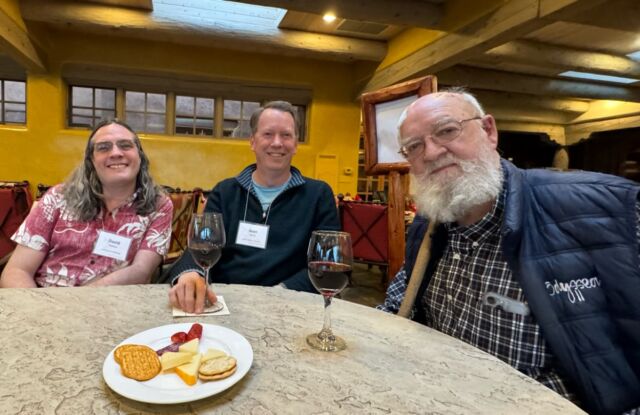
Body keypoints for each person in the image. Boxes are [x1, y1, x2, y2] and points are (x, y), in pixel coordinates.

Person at [377, 88, 640, 415]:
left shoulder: (604, 210)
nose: (430, 153)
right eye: (414, 146)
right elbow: (397, 305)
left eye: (446, 130)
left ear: (489, 130)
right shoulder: (430, 224)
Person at [168, 101, 340, 313]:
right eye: (268, 134)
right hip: (225, 302)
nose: (277, 143)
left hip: (289, 303)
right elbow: (201, 247)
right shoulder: (225, 191)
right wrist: (190, 273)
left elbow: (327, 263)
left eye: (286, 135)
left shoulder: (318, 195)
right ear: (252, 141)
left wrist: (279, 294)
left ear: (296, 144)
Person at [0, 120, 172, 288]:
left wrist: (76, 303)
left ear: (140, 156)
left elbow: (140, 271)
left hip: (109, 304)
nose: (116, 153)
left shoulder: (159, 206)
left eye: (125, 145)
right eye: (104, 147)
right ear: (91, 161)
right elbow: (18, 270)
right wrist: (40, 311)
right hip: (42, 299)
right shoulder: (57, 198)